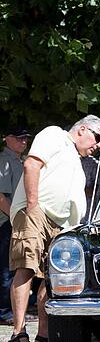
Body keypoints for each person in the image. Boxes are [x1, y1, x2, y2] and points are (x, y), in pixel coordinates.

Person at [7, 115, 100, 342]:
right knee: (27, 267)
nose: (98, 145)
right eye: (97, 138)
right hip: (36, 211)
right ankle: (18, 332)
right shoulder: (54, 134)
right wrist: (32, 206)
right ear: (82, 129)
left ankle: (44, 335)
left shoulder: (76, 157)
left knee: (51, 278)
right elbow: (32, 164)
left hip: (60, 224)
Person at [0, 127, 30, 325]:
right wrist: (14, 218)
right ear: (6, 139)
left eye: (26, 138)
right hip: (6, 221)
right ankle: (4, 312)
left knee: (13, 266)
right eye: (19, 138)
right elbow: (0, 197)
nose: (23, 141)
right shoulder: (4, 161)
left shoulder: (20, 160)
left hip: (15, 219)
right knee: (6, 267)